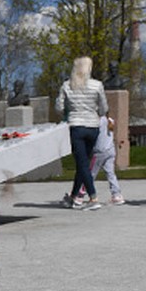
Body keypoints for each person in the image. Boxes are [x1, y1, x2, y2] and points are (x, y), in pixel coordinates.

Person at [55, 56, 108, 210]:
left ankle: (93, 198)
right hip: (93, 126)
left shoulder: (67, 85)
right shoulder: (97, 85)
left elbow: (59, 108)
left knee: (82, 163)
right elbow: (104, 108)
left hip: (76, 126)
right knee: (83, 163)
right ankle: (72, 196)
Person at [72, 115, 124, 205]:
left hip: (99, 151)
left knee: (90, 173)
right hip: (110, 150)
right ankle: (117, 195)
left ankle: (80, 194)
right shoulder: (110, 120)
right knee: (111, 173)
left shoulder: (97, 122)